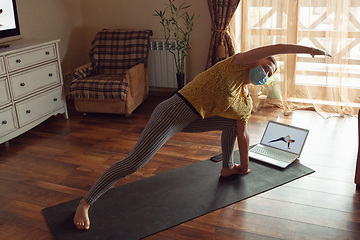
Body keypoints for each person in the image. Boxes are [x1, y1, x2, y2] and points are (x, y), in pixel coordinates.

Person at [73, 43, 332, 230]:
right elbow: (273, 47)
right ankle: (86, 202)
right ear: (256, 61)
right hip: (172, 112)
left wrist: (245, 166)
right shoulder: (236, 63)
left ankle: (227, 169)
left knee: (232, 124)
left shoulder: (244, 100)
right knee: (133, 163)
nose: (266, 74)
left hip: (193, 118)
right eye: (266, 66)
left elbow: (243, 135)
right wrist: (305, 50)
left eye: (270, 74)